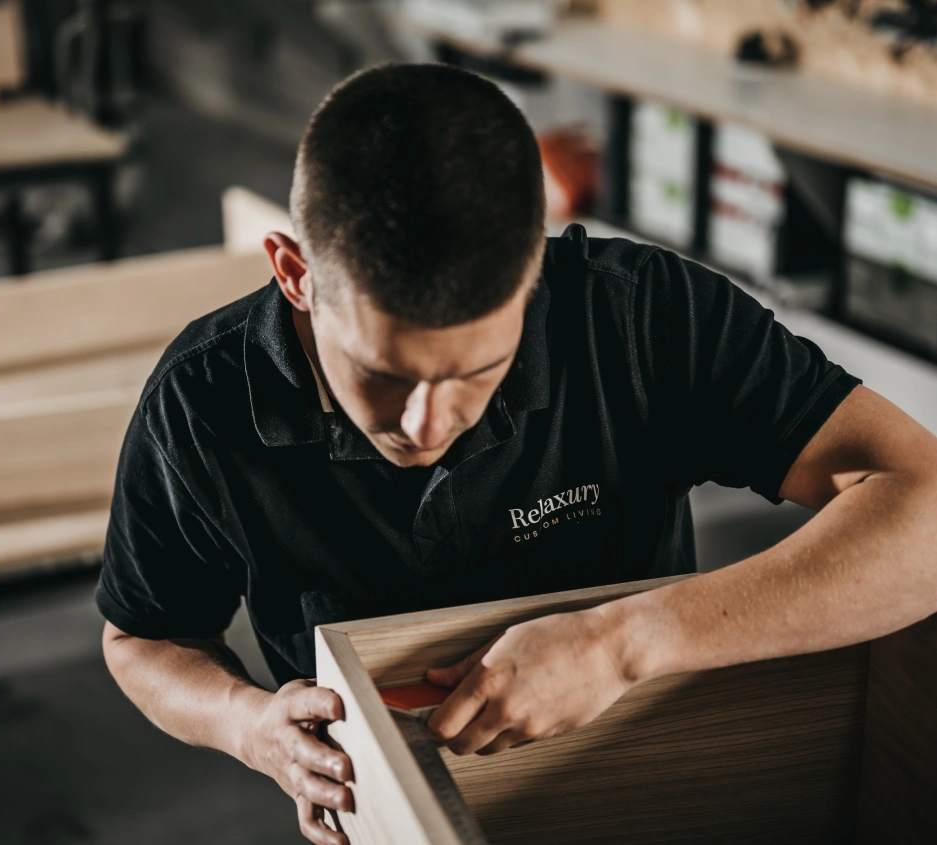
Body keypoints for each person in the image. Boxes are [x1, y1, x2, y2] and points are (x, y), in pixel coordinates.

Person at [97, 63, 937, 845]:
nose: (426, 424)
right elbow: (143, 637)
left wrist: (622, 641)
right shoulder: (199, 401)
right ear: (295, 274)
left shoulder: (640, 317)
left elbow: (924, 505)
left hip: (650, 782)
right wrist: (248, 725)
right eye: (384, 374)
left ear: (531, 275)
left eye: (476, 371)